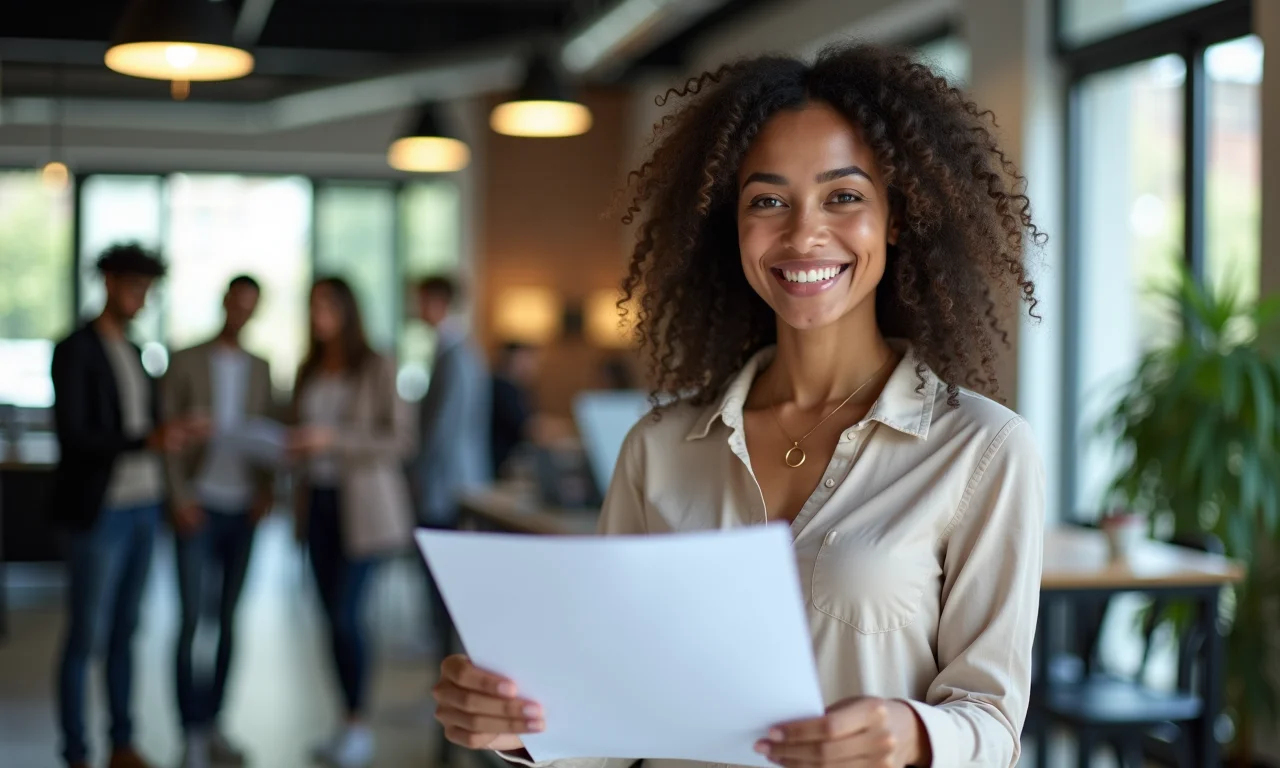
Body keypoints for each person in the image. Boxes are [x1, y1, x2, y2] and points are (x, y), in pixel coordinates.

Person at [432, 42, 1046, 768]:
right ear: (733, 225)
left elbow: (992, 722)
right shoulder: (657, 449)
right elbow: (615, 709)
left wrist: (914, 734)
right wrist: (520, 726)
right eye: (768, 201)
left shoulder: (983, 450)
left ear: (897, 217)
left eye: (843, 196)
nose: (803, 232)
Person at [50, 244, 197, 768]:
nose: (141, 300)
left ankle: (122, 742)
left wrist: (170, 437)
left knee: (126, 633)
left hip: (142, 507)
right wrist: (147, 440)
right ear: (110, 282)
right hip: (99, 511)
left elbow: (144, 428)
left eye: (148, 291)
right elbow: (76, 435)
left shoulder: (137, 351)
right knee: (86, 634)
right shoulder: (75, 349)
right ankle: (75, 750)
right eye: (135, 288)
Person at [288, 277, 415, 768]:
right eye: (313, 304)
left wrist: (332, 440)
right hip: (317, 504)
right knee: (328, 620)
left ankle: (359, 722)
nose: (319, 314)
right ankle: (345, 719)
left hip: (364, 510)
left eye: (327, 305)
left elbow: (400, 440)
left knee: (346, 615)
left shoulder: (377, 364)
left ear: (347, 309)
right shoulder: (308, 368)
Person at [162, 275, 275, 768]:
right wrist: (179, 497)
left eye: (251, 307)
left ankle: (216, 724)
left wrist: (268, 492)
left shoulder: (262, 367)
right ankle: (189, 731)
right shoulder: (186, 359)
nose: (241, 313)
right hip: (198, 504)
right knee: (190, 621)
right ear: (224, 303)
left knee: (229, 621)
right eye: (236, 304)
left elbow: (272, 433)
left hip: (243, 508)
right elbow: (166, 437)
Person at [413, 275, 492, 767]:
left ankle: (454, 703)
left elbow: (441, 431)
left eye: (421, 299)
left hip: (447, 487)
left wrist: (415, 480)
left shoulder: (456, 353)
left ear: (438, 301)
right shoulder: (459, 351)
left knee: (446, 600)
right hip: (452, 483)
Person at [490, 342, 539, 478]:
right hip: (499, 465)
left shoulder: (518, 389)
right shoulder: (504, 388)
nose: (533, 366)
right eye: (528, 359)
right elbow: (528, 428)